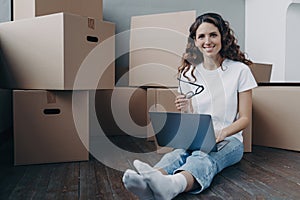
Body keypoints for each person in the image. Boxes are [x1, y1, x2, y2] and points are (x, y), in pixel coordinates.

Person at [122, 12, 257, 199]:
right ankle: (149, 182)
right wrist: (186, 109)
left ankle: (174, 185)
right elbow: (192, 118)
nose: (207, 41)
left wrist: (223, 133)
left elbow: (245, 118)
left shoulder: (239, 71)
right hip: (198, 137)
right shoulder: (188, 74)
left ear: (222, 37)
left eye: (213, 35)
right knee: (177, 154)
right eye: (201, 36)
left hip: (230, 140)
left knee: (203, 158)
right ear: (195, 40)